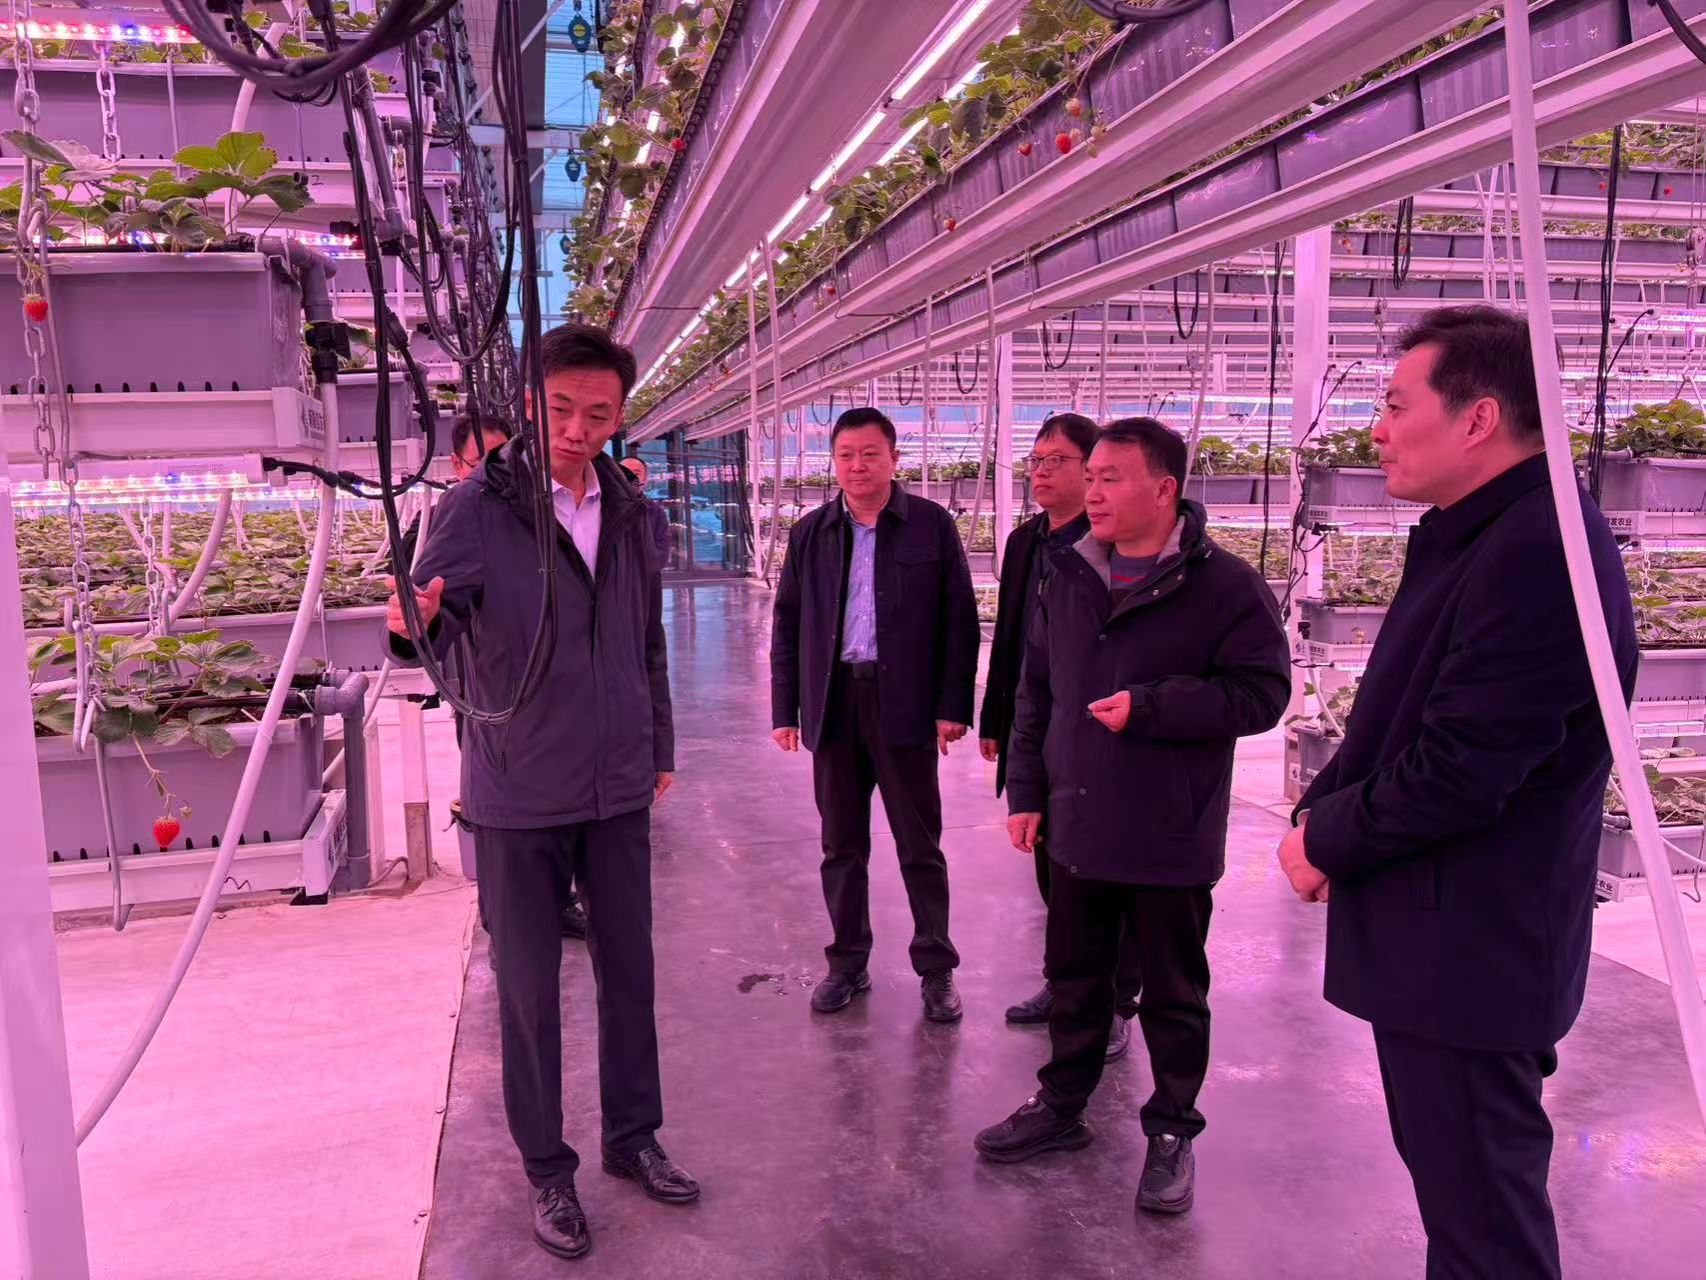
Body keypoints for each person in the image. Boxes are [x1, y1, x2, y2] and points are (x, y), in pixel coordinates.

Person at [1278, 305, 1637, 1278]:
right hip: (1451, 942)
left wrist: (1326, 837)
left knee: (1484, 1230)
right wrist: (1324, 810)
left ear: (1476, 419)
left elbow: (1462, 766)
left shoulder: (1536, 549)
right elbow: (1410, 715)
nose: (1376, 431)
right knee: (1465, 1205)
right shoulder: (1483, 532)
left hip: (1470, 953)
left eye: (1397, 406)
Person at [385, 323, 694, 1263]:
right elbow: (432, 629)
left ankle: (633, 1135)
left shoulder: (634, 513)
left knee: (629, 971)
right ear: (530, 403)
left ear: (620, 415)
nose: (576, 430)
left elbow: (646, 640)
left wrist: (658, 743)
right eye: (561, 409)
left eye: (598, 414)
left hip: (616, 784)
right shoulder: (476, 508)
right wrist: (411, 626)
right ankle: (547, 1170)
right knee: (527, 989)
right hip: (517, 788)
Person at [975, 417, 1289, 1218]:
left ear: (1164, 489)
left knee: (1174, 995)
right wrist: (1027, 792)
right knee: (1075, 979)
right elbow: (1036, 690)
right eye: (1092, 477)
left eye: (1110, 477)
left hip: (1168, 831)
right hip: (1077, 818)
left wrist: (1152, 707)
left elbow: (1262, 694)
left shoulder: (1225, 587)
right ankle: (1062, 1106)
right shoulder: (1069, 573)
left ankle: (1173, 1130)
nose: (1093, 492)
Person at [770, 406, 980, 1023]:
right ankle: (847, 963)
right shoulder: (810, 533)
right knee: (841, 845)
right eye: (845, 455)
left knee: (920, 845)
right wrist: (786, 708)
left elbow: (959, 621)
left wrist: (951, 705)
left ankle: (936, 968)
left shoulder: (930, 526)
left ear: (893, 459)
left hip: (905, 703)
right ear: (833, 462)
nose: (857, 466)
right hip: (834, 704)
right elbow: (787, 624)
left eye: (869, 454)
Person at [979, 412, 1140, 1062]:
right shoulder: (1026, 542)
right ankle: (1066, 984)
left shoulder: (1111, 546)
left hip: (1092, 729)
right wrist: (997, 721)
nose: (1041, 473)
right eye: (1035, 462)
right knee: (1051, 865)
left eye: (1057, 461)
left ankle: (1117, 1002)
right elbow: (1010, 638)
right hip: (1035, 725)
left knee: (1107, 874)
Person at [619, 454, 673, 568]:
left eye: (636, 473)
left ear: (645, 479)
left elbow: (662, 554)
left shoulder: (656, 513)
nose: (630, 477)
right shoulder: (600, 508)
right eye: (624, 472)